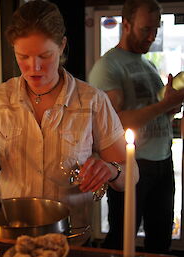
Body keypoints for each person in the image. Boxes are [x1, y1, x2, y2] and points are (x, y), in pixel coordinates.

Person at [0, 0, 138, 245]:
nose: (34, 67)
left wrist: (112, 170)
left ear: (62, 46)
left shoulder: (92, 101)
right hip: (9, 235)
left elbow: (131, 174)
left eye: (45, 55)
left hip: (69, 238)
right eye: (23, 57)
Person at [89, 0, 184, 253]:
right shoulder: (108, 66)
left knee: (160, 241)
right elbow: (115, 122)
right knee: (122, 241)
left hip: (163, 163)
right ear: (127, 25)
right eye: (146, 29)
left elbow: (155, 114)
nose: (152, 36)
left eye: (156, 29)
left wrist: (171, 106)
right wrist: (164, 106)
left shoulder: (148, 65)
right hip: (132, 167)